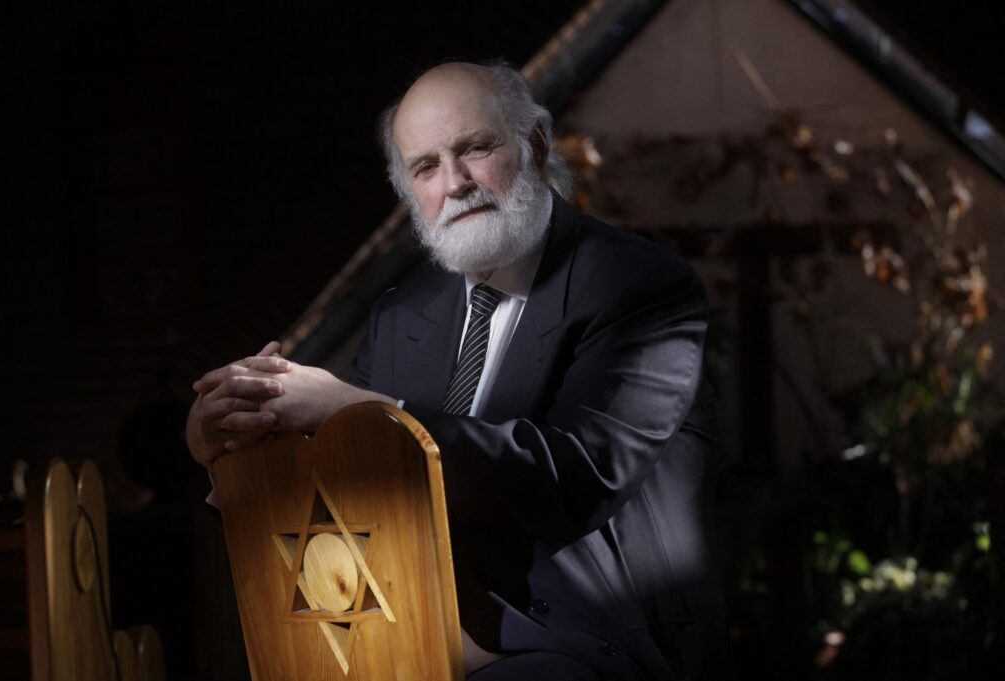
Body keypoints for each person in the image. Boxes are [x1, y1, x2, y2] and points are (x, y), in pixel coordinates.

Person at [187, 61, 727, 680]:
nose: (455, 183)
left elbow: (578, 478)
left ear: (535, 145)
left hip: (590, 646)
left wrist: (359, 411)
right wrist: (234, 447)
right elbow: (350, 488)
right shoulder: (402, 314)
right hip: (419, 638)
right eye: (425, 167)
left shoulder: (638, 284)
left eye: (475, 149)